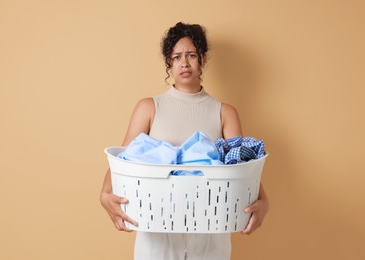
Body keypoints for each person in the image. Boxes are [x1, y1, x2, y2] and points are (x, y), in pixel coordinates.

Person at [100, 22, 269, 260]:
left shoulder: (224, 112)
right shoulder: (149, 108)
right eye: (177, 56)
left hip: (210, 232)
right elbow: (124, 158)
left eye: (191, 55)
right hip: (156, 231)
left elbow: (242, 166)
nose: (184, 62)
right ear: (168, 62)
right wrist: (105, 193)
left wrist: (264, 200)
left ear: (204, 59)